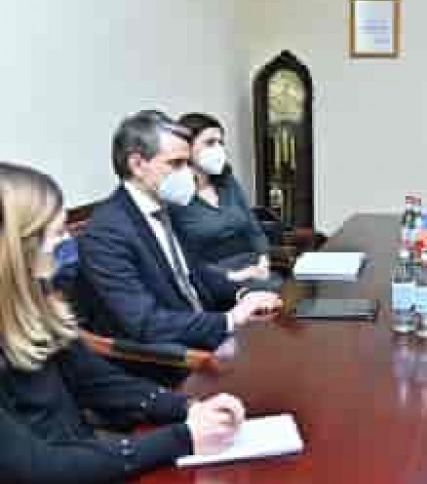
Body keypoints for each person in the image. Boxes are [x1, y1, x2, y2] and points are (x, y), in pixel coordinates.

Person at [0, 162, 246, 484]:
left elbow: (98, 383)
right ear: (15, 248)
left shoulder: (34, 305)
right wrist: (182, 438)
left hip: (83, 477)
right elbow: (38, 468)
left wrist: (188, 408)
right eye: (55, 234)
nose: (65, 243)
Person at [77, 111, 281, 362]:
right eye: (176, 164)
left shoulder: (164, 207)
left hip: (206, 331)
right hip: (173, 358)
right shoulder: (106, 232)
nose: (188, 173)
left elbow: (193, 274)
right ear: (137, 165)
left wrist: (242, 294)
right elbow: (145, 323)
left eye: (187, 162)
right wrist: (229, 320)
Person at [171, 112, 280, 291]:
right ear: (186, 148)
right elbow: (182, 257)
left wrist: (263, 260)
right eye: (210, 143)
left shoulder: (227, 182)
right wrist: (233, 275)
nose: (218, 149)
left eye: (220, 143)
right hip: (214, 277)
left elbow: (252, 228)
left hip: (253, 266)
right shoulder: (175, 195)